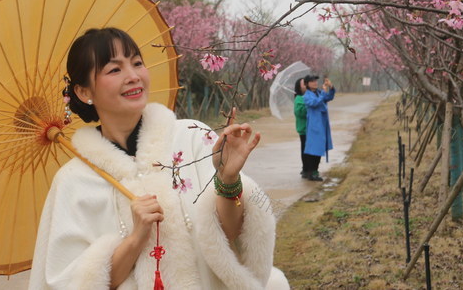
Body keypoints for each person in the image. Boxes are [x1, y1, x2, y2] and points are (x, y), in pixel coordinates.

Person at [30, 27, 290, 289]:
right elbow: (70, 282)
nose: (133, 76)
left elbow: (232, 237)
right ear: (84, 92)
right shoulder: (73, 181)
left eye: (137, 63)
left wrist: (228, 180)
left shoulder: (192, 137)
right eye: (114, 69)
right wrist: (135, 238)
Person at [301, 74, 335, 181]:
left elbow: (329, 97)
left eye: (315, 81)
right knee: (313, 150)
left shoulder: (319, 92)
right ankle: (311, 172)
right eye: (312, 81)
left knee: (319, 149)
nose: (315, 83)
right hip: (314, 126)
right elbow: (314, 103)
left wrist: (331, 87)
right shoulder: (307, 95)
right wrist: (323, 93)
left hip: (322, 124)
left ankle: (315, 171)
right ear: (307, 84)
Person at [293, 77, 318, 181]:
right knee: (306, 151)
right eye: (304, 84)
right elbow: (299, 112)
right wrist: (307, 105)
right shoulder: (299, 98)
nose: (306, 85)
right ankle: (307, 170)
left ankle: (307, 169)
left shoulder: (309, 96)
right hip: (304, 129)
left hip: (312, 128)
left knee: (309, 150)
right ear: (299, 87)